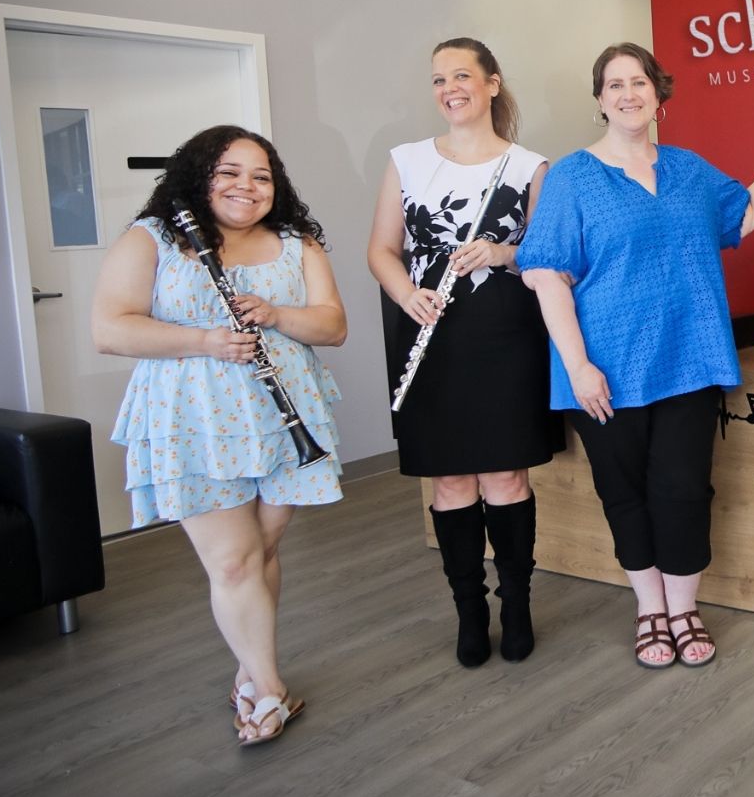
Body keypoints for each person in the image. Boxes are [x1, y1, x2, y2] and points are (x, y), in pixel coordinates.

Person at [518, 42, 754, 669]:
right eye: (614, 84)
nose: (628, 93)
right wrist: (578, 365)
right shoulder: (573, 177)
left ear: (659, 94)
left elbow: (744, 215)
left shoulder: (689, 170)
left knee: (684, 489)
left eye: (639, 82)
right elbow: (547, 276)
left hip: (687, 359)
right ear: (600, 99)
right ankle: (649, 612)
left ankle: (684, 610)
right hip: (603, 369)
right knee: (623, 492)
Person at [93, 125, 345, 746]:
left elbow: (333, 325)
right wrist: (205, 340)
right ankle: (270, 689)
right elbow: (110, 329)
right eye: (230, 172)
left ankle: (247, 670)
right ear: (200, 176)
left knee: (259, 552)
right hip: (193, 420)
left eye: (261, 176)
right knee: (232, 560)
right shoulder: (150, 239)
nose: (247, 187)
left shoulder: (295, 243)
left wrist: (278, 313)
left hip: (286, 418)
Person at [368, 37, 554, 668]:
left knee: (505, 474)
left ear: (493, 83)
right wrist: (407, 295)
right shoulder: (408, 160)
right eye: (438, 79)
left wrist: (503, 253)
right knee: (449, 478)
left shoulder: (531, 166)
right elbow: (381, 250)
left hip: (504, 335)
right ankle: (469, 614)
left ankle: (518, 606)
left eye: (462, 75)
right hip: (429, 334)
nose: (449, 87)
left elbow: (550, 257)